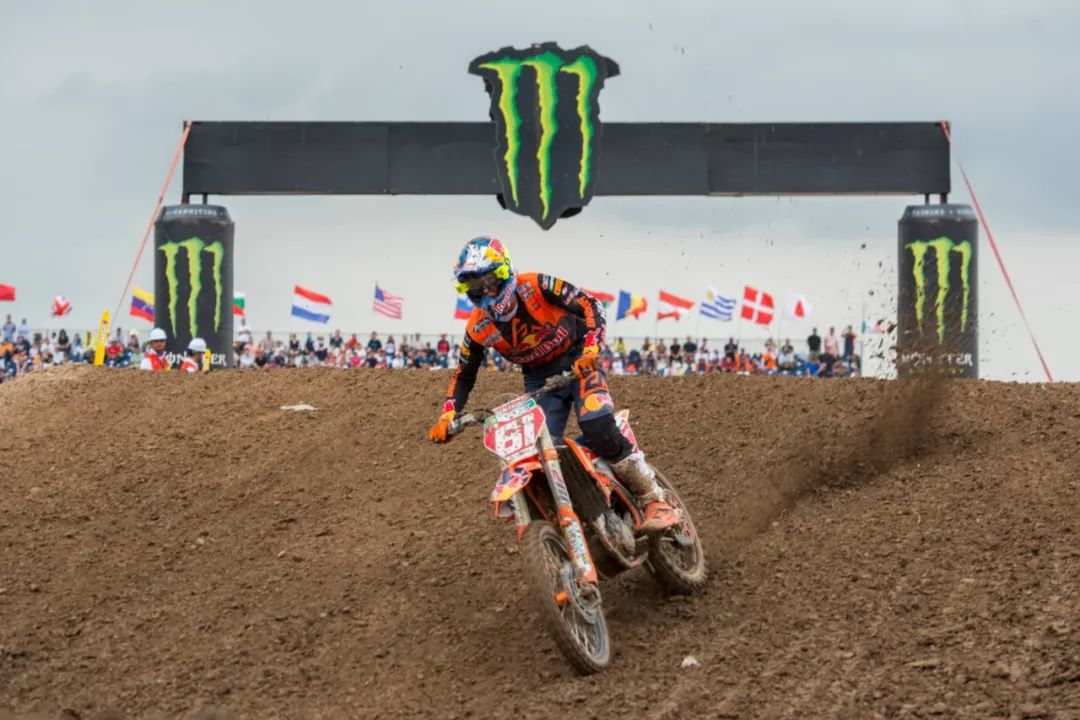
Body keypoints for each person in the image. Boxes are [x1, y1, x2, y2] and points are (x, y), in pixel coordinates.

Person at [427, 236, 677, 533]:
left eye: (489, 282)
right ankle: (589, 510)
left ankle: (653, 499)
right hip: (540, 379)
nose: (485, 291)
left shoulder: (536, 285)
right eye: (475, 286)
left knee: (597, 426)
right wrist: (448, 413)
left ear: (504, 272)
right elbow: (464, 374)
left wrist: (591, 350)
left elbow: (589, 304)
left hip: (578, 361)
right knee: (541, 455)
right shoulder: (477, 327)